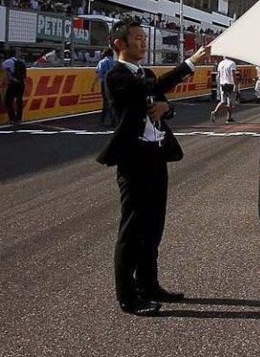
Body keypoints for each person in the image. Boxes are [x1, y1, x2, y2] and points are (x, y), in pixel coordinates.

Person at [96, 18, 209, 316]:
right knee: (132, 230)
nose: (143, 42)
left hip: (157, 157)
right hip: (134, 162)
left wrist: (166, 108)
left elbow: (161, 100)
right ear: (119, 43)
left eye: (144, 37)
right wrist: (190, 63)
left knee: (153, 227)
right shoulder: (116, 75)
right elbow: (152, 87)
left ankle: (149, 284)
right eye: (136, 37)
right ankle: (128, 297)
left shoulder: (144, 72)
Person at [2, 49, 27, 125]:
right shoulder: (21, 62)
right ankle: (19, 119)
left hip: (13, 83)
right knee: (19, 100)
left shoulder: (7, 62)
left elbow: (3, 68)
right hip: (21, 83)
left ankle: (12, 118)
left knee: (8, 100)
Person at [210, 56, 238, 123]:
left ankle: (215, 111)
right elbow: (233, 74)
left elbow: (219, 75)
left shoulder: (220, 63)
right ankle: (229, 117)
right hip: (230, 83)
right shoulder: (232, 63)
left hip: (222, 83)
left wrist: (219, 84)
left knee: (223, 101)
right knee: (230, 102)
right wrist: (236, 84)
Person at [94, 48, 117, 127]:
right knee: (113, 101)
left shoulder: (102, 62)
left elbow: (98, 74)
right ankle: (114, 120)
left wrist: (93, 84)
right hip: (114, 83)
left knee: (106, 101)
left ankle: (103, 120)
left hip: (105, 83)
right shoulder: (115, 62)